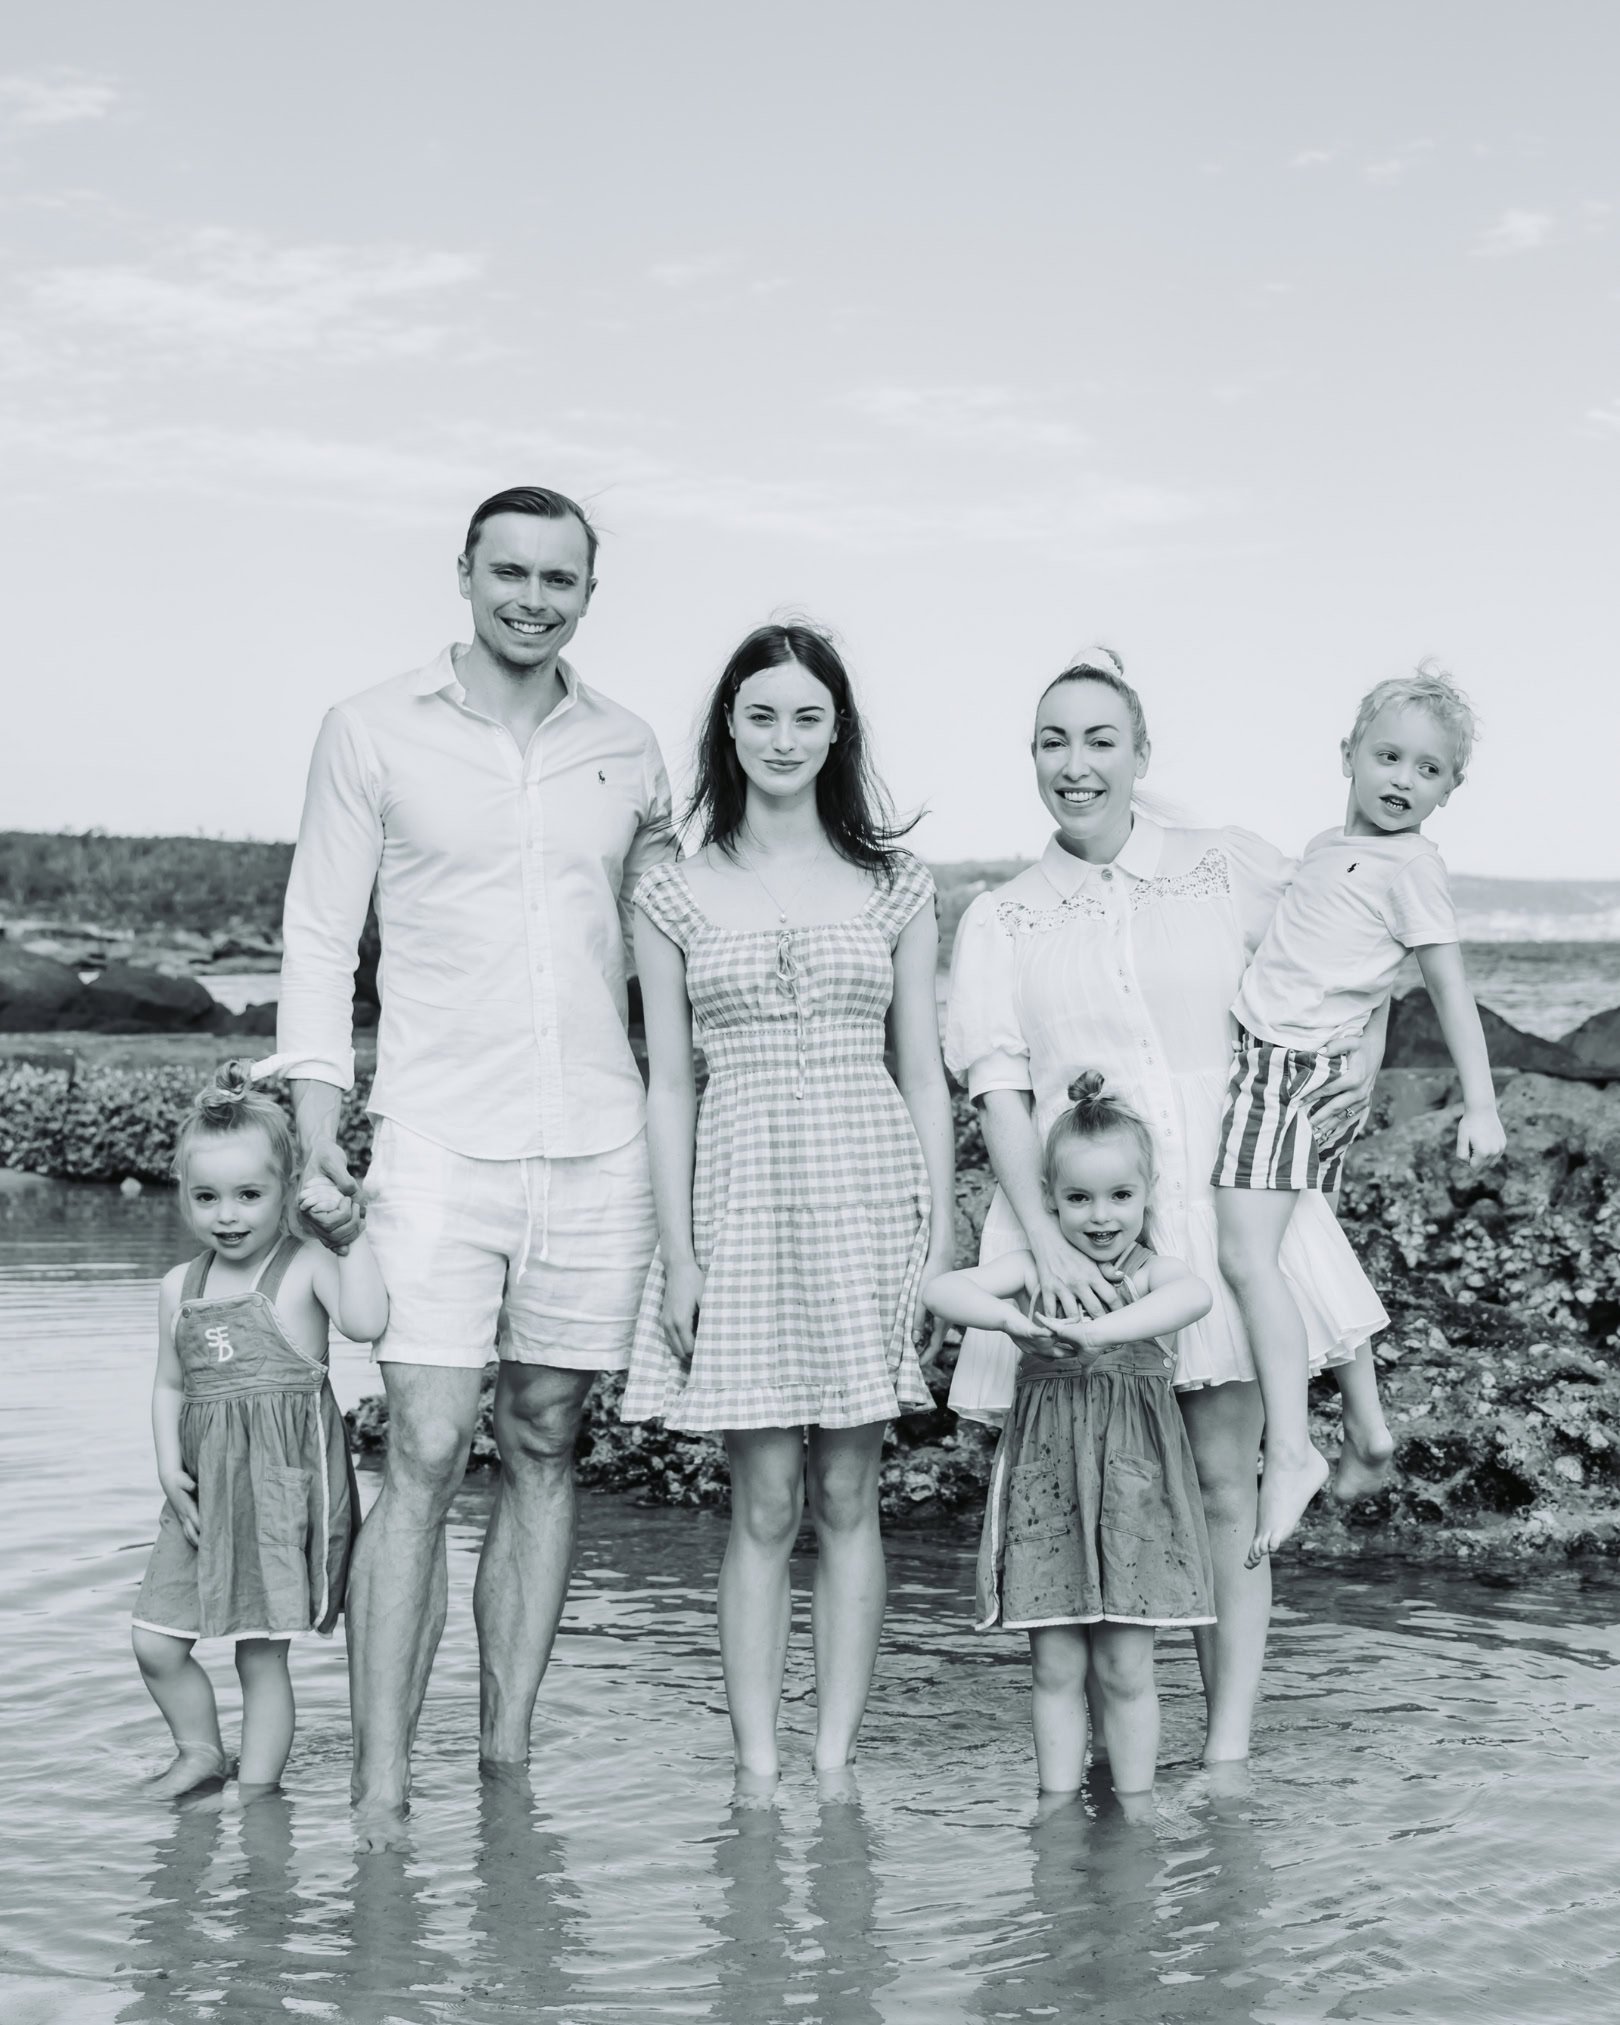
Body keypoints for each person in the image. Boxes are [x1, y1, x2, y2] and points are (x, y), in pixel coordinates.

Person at [276, 485, 675, 1841]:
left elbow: (669, 950)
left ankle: (506, 1765)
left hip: (599, 1140)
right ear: (463, 571)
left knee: (547, 1437)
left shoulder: (630, 747)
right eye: (508, 570)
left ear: (588, 592)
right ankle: (382, 1788)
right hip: (436, 1140)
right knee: (430, 1445)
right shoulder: (369, 727)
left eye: (559, 578)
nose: (532, 596)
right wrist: (320, 1115)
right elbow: (321, 938)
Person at [945, 649, 1388, 1772]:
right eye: (1054, 741)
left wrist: (1356, 1082)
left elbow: (1343, 963)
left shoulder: (1223, 865)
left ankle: (1227, 1755)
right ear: (1032, 759)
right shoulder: (1001, 918)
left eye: (1101, 740)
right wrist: (1043, 1244)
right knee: (1094, 1492)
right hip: (1081, 1224)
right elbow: (998, 1087)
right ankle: (1099, 1770)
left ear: (1143, 754)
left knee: (1219, 1484)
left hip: (1225, 1206)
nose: (1076, 764)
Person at [621, 621, 955, 1786]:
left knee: (850, 1491)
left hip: (871, 1193)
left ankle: (833, 1765)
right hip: (740, 1199)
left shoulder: (896, 884)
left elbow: (923, 1071)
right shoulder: (670, 893)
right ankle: (758, 1769)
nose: (784, 736)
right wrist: (680, 1251)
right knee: (762, 1500)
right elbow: (670, 1082)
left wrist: (941, 1234)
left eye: (808, 715)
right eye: (761, 713)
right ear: (728, 725)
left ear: (837, 730)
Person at [1213, 667, 1506, 1565]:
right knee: (1300, 1245)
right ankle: (1370, 1430)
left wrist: (1481, 1102)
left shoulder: (1414, 864)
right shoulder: (1323, 846)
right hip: (1283, 1063)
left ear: (1450, 791)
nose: (1401, 779)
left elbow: (1446, 987)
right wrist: (1372, 1056)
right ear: (1348, 753)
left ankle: (1294, 1450)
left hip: (1292, 1074)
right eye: (1388, 756)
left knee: (1243, 1254)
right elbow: (1363, 974)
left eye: (1427, 770)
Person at [926, 1072, 1214, 1816]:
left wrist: (1098, 1330)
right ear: (1050, 1199)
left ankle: (1137, 1808)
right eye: (1078, 1198)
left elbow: (1194, 1299)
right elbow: (945, 1291)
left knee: (1125, 1660)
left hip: (1131, 1487)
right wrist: (1011, 1321)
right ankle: (1056, 1807)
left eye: (1120, 1195)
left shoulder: (1154, 1273)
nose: (1100, 1215)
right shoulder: (1035, 1271)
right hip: (1049, 1480)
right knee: (1054, 1658)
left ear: (1148, 1193)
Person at [132, 1062, 387, 1800]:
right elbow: (168, 1382)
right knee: (155, 1641)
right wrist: (164, 1465)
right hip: (200, 1489)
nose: (228, 1214)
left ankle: (257, 1794)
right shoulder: (179, 1285)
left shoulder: (305, 1265)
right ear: (183, 1194)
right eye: (206, 1196)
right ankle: (200, 1751)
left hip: (283, 1484)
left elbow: (368, 1322)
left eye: (250, 1194)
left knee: (258, 1655)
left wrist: (350, 1238)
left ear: (284, 1191)